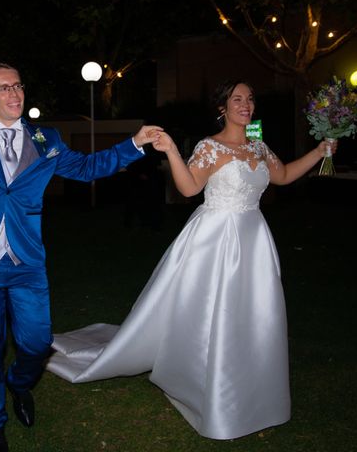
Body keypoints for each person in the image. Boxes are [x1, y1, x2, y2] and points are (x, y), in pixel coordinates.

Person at [0, 34, 161, 452]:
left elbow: (89, 167)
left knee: (37, 343)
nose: (14, 93)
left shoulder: (47, 140)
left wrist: (134, 144)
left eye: (18, 85)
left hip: (26, 261)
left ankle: (19, 384)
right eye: (4, 87)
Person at [46, 80, 337, 440]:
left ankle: (248, 378)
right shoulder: (209, 147)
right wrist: (169, 150)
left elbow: (285, 175)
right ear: (223, 107)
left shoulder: (260, 148)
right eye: (237, 99)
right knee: (212, 309)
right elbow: (188, 189)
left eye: (249, 99)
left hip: (254, 238)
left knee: (253, 311)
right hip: (215, 238)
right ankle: (201, 376)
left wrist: (321, 151)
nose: (245, 105)